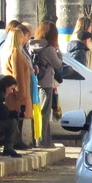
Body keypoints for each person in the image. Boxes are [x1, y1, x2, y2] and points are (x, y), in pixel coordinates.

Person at [29, 21, 63, 149]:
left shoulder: (32, 45)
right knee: (45, 113)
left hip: (35, 82)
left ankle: (41, 139)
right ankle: (43, 140)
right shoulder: (48, 49)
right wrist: (58, 51)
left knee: (38, 111)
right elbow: (58, 64)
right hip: (46, 82)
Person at [4, 27, 33, 150]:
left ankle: (17, 140)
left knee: (18, 117)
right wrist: (21, 93)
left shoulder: (10, 51)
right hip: (18, 93)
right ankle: (15, 141)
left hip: (16, 91)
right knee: (17, 117)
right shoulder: (16, 53)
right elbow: (18, 74)